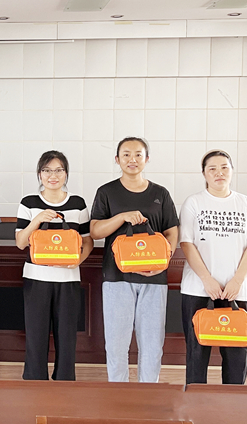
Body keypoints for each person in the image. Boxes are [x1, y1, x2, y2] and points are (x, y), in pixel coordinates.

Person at [90, 137, 179, 383]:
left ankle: (148, 393)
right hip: (117, 277)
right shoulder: (106, 192)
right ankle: (118, 392)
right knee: (116, 342)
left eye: (138, 154)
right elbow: (95, 231)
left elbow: (172, 231)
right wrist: (122, 217)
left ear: (147, 159)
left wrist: (163, 261)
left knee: (152, 342)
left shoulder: (160, 193)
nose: (133, 159)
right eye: (126, 154)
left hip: (155, 278)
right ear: (117, 159)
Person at [180, 150, 247, 385]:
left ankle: (232, 403)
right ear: (204, 173)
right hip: (198, 289)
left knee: (236, 356)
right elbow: (186, 243)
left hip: (238, 291)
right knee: (197, 353)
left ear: (232, 171)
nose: (219, 173)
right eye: (212, 169)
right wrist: (207, 279)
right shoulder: (194, 202)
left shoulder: (246, 204)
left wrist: (237, 281)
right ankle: (196, 404)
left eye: (224, 167)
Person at [15, 150, 93, 381]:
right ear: (40, 174)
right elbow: (20, 242)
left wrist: (78, 261)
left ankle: (65, 382)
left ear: (66, 174)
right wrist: (37, 220)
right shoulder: (29, 203)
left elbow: (88, 241)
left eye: (59, 170)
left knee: (67, 336)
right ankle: (34, 381)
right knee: (36, 336)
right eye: (47, 170)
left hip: (68, 280)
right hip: (36, 279)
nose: (53, 175)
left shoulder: (78, 204)